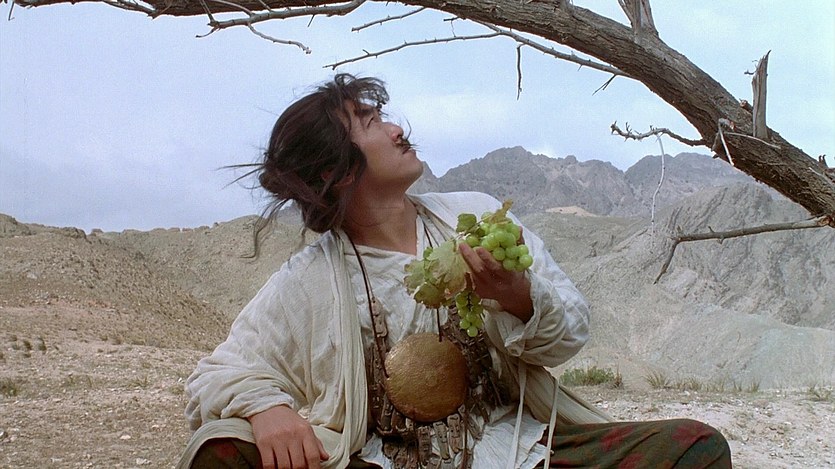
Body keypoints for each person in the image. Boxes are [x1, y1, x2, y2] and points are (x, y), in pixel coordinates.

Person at [176, 73, 732, 469]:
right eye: (370, 122)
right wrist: (268, 409)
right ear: (335, 171)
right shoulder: (310, 278)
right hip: (379, 460)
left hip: (509, 450)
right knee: (221, 452)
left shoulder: (476, 219)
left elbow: (571, 334)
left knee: (695, 449)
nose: (395, 129)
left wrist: (518, 298)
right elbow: (215, 375)